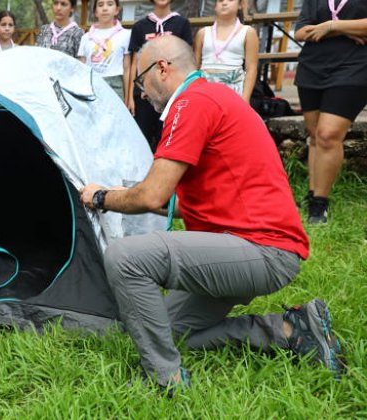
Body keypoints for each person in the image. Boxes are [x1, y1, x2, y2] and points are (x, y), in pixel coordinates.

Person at [80, 35, 342, 392]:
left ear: (162, 68)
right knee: (166, 331)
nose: (141, 93)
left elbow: (153, 194)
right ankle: (288, 328)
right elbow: (164, 201)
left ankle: (163, 378)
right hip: (244, 246)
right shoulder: (209, 97)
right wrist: (123, 194)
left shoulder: (191, 103)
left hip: (261, 250)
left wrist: (101, 197)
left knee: (125, 258)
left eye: (140, 82)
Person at [294, 0, 367, 224]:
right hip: (312, 66)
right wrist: (342, 29)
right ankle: (312, 194)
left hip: (354, 66)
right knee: (315, 135)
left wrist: (332, 27)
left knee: (328, 135)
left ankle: (320, 205)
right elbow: (300, 32)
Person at [127, 0, 192, 152]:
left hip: (171, 94)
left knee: (167, 141)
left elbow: (185, 59)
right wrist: (130, 96)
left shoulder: (182, 24)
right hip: (144, 94)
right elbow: (134, 63)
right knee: (141, 141)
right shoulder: (140, 26)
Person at [193, 0, 258, 102]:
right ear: (215, 6)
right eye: (220, 0)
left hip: (234, 90)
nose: (224, 3)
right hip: (205, 90)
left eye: (230, 0)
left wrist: (245, 98)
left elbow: (251, 68)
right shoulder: (203, 33)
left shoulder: (247, 32)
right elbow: (195, 67)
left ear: (240, 4)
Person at [78, 0, 131, 101]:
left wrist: (127, 97)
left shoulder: (125, 35)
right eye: (100, 5)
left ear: (117, 10)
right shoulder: (86, 37)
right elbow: (82, 67)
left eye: (110, 4)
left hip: (115, 84)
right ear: (95, 12)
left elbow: (127, 68)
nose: (105, 8)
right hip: (91, 84)